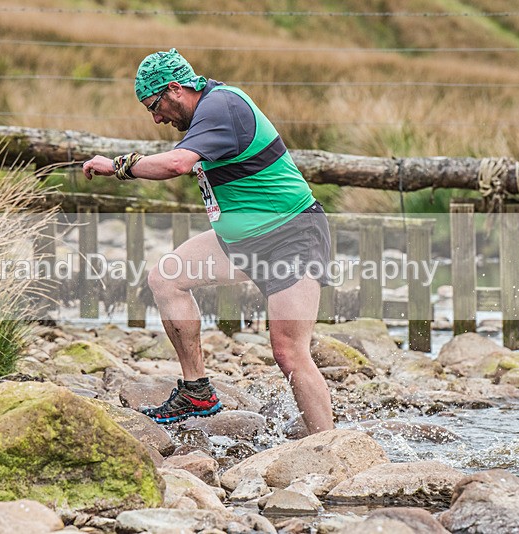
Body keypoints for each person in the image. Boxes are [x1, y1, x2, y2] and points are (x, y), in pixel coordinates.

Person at [82, 48, 333, 435]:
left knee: (288, 352)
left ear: (176, 89)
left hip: (292, 235)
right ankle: (197, 392)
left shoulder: (222, 106)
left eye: (156, 105)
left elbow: (177, 164)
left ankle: (329, 448)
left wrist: (119, 165)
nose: (156, 117)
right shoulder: (207, 114)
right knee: (165, 279)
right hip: (242, 241)